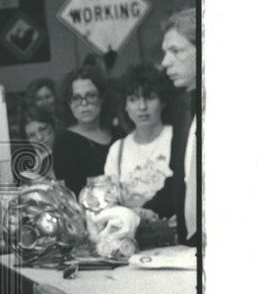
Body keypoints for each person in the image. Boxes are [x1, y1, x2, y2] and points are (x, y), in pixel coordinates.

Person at [104, 64, 174, 218]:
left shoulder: (177, 137)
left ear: (163, 101)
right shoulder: (118, 150)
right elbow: (110, 201)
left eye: (149, 98)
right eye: (133, 100)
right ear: (125, 106)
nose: (142, 107)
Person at [161, 8, 198, 245]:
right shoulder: (184, 110)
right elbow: (179, 180)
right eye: (166, 52)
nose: (164, 62)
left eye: (176, 51)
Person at [52, 65, 113, 196]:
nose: (84, 103)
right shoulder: (64, 142)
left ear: (102, 98)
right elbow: (71, 192)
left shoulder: (118, 133)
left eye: (90, 96)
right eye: (76, 98)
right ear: (68, 103)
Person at [12, 104, 57, 183]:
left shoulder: (66, 151)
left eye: (43, 129)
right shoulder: (24, 160)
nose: (40, 138)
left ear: (53, 125)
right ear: (27, 140)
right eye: (32, 135)